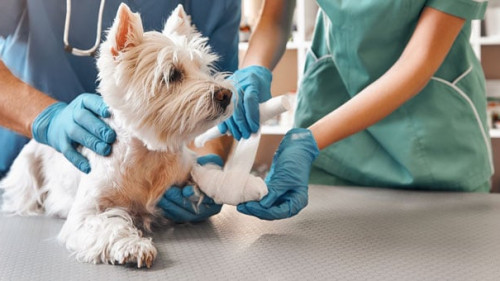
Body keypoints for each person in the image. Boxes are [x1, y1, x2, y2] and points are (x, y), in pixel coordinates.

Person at [224, 0, 493, 220]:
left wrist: (310, 141)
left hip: (434, 141)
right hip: (332, 128)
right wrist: (253, 70)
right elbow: (274, 18)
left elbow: (417, 61)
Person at [0, 0, 241, 223]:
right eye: (173, 75)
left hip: (163, 172)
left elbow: (215, 110)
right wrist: (46, 119)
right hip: (25, 157)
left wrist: (207, 170)